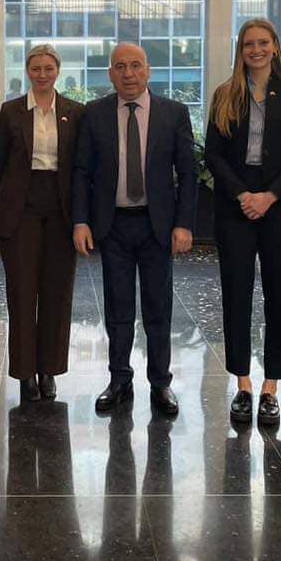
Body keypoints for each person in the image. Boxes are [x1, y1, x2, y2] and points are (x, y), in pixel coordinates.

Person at [73, 43, 197, 417]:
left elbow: (188, 173)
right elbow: (82, 171)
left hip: (157, 225)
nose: (128, 73)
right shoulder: (94, 114)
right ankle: (119, 379)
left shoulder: (173, 113)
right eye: (120, 66)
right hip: (113, 225)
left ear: (148, 70)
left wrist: (184, 224)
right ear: (110, 73)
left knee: (158, 308)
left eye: (135, 65)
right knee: (118, 308)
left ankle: (160, 382)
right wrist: (81, 220)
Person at [204, 19, 281, 428]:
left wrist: (269, 196)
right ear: (241, 49)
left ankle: (271, 387)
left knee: (279, 295)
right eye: (249, 43)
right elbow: (213, 154)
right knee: (236, 294)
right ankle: (243, 384)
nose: (256, 49)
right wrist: (243, 195)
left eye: (263, 42)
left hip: (279, 205)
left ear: (275, 47)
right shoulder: (225, 94)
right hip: (235, 204)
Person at [0, 44, 84, 401]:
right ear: (27, 71)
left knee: (57, 293)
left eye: (48, 68)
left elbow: (80, 163)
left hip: (62, 209)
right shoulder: (11, 111)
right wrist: (15, 190)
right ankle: (25, 373)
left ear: (57, 71)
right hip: (22, 209)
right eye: (35, 68)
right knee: (22, 292)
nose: (42, 74)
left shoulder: (75, 112)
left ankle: (49, 371)